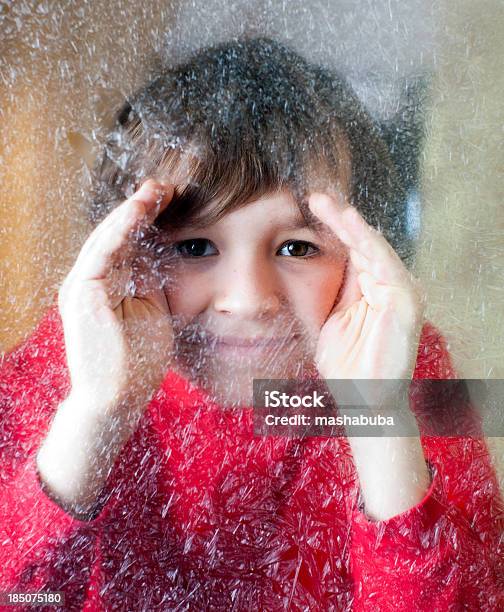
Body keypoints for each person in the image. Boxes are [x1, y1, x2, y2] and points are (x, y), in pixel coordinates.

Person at [0, 36, 502, 611]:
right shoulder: (66, 368)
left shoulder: (407, 370)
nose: (248, 299)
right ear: (125, 255)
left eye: (296, 247)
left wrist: (374, 411)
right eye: (192, 247)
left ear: (363, 257)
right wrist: (94, 417)